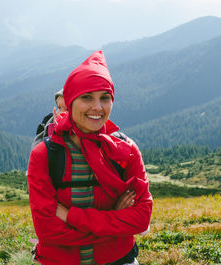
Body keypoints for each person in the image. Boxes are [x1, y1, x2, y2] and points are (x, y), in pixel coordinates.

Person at [27, 50, 153, 265]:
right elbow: (48, 231)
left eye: (105, 98)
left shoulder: (126, 149)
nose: (98, 107)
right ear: (71, 101)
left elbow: (141, 220)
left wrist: (69, 216)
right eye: (87, 97)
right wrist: (115, 221)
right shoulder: (45, 154)